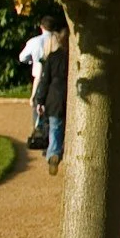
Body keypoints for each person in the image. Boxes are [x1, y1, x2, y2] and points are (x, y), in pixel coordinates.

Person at [20, 17, 58, 149]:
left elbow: (22, 57)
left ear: (41, 27)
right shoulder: (58, 41)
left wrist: (32, 61)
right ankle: (50, 138)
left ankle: (40, 136)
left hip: (39, 76)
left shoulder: (34, 41)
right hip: (56, 79)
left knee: (38, 107)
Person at [36, 23, 68, 174]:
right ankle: (65, 152)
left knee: (55, 127)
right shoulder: (74, 58)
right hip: (70, 95)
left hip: (54, 95)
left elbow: (45, 80)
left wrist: (40, 100)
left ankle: (53, 153)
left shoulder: (53, 57)